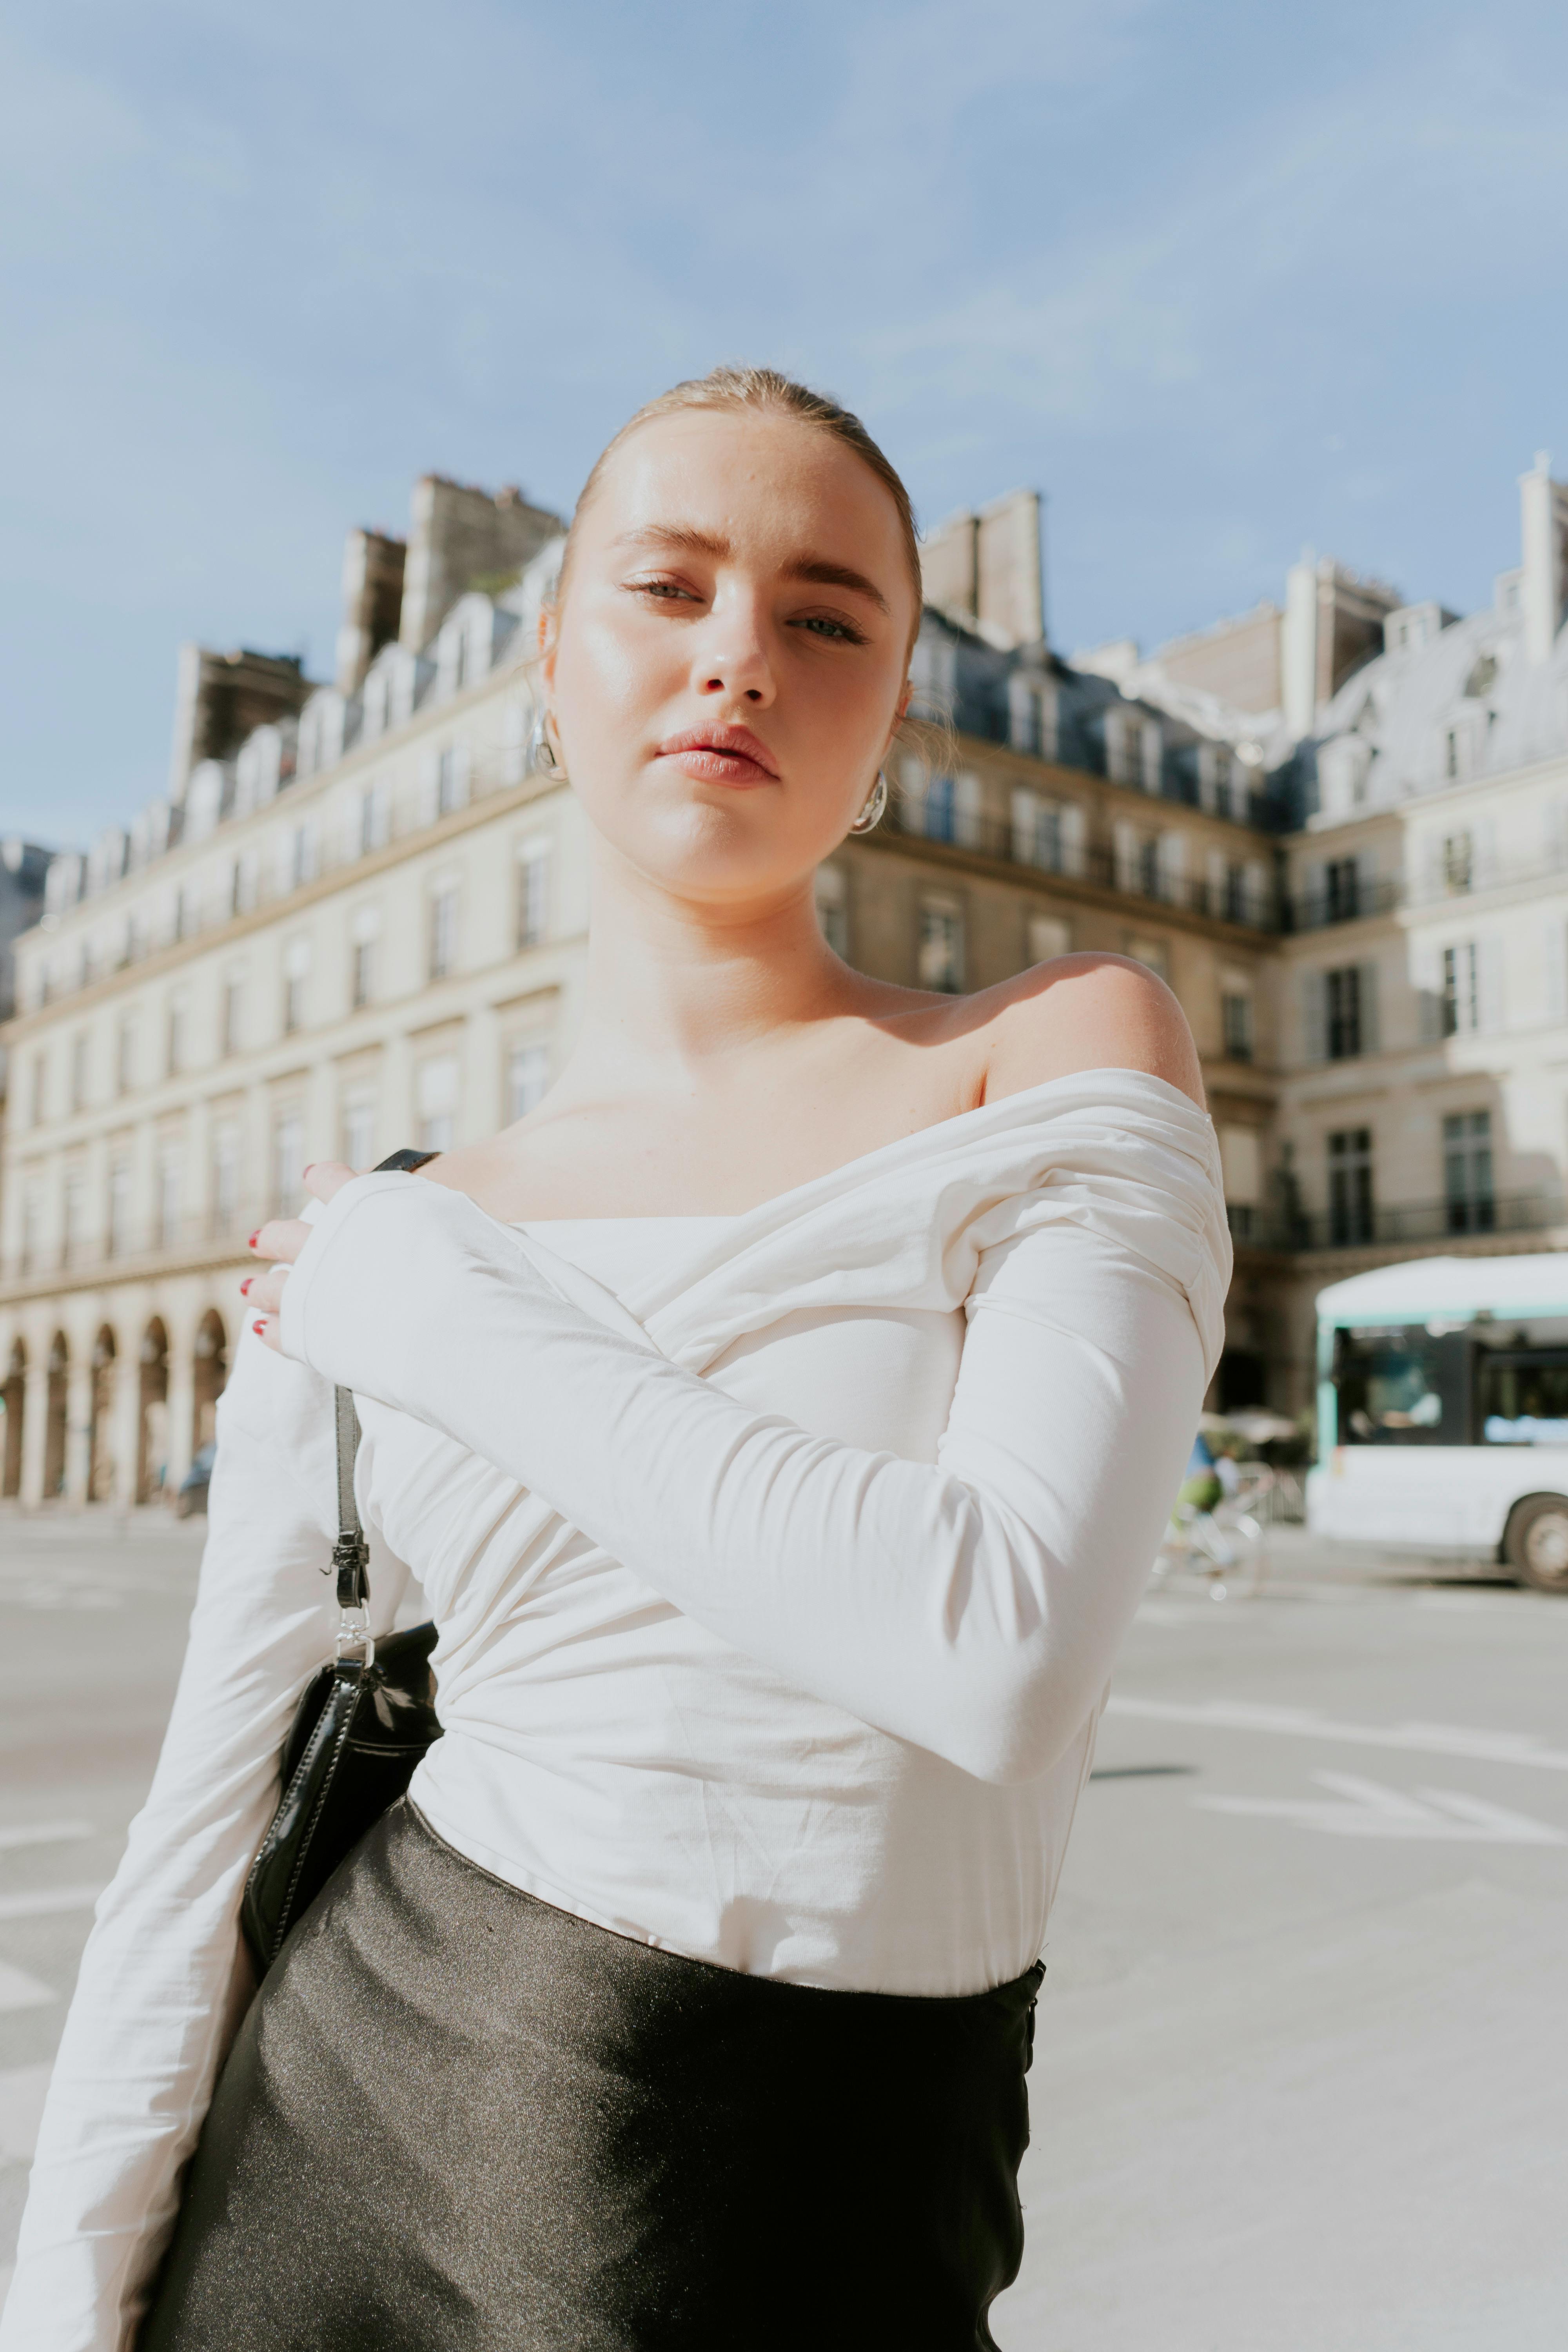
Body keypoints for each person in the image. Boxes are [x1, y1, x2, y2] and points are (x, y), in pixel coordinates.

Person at [3, 366, 1230, 2352]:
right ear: (548, 675)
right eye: (669, 589)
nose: (740, 653)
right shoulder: (395, 1225)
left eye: (826, 616)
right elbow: (204, 1835)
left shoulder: (1053, 1051)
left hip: (839, 2217)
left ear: (895, 719)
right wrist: (65, 2312)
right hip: (353, 2174)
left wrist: (442, 1315)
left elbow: (995, 1645)